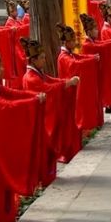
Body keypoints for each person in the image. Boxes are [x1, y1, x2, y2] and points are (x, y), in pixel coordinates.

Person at [0, 45, 46, 222]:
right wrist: (32, 102)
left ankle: (5, 216)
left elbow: (14, 94)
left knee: (2, 185)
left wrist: (33, 97)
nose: (2, 69)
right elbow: (5, 107)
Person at [21, 38, 80, 184]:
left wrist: (66, 82)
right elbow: (49, 89)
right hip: (40, 119)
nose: (44, 61)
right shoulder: (31, 78)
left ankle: (48, 176)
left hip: (43, 116)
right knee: (44, 148)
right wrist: (67, 83)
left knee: (48, 148)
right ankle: (43, 178)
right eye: (41, 58)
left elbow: (51, 80)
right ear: (33, 60)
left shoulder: (38, 74)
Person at [57, 24, 104, 131]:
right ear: (65, 42)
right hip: (68, 90)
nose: (75, 43)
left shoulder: (69, 53)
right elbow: (75, 64)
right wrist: (91, 60)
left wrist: (91, 57)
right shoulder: (64, 56)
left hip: (73, 88)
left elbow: (80, 57)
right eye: (72, 41)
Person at [80, 13, 111, 112]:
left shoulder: (92, 41)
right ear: (89, 32)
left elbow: (101, 43)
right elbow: (100, 46)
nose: (97, 31)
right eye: (95, 29)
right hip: (90, 76)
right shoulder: (87, 44)